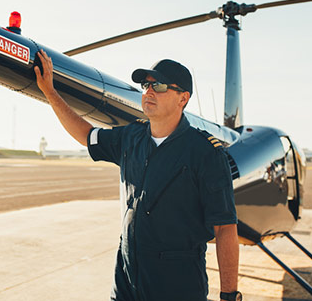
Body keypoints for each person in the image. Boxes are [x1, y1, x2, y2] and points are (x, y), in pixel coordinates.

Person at [34, 49, 241, 301]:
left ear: (183, 98)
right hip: (127, 281)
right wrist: (50, 93)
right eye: (146, 85)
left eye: (160, 85)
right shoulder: (130, 137)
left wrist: (230, 296)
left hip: (177, 286)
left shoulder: (206, 153)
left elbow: (225, 228)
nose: (149, 91)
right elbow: (87, 135)